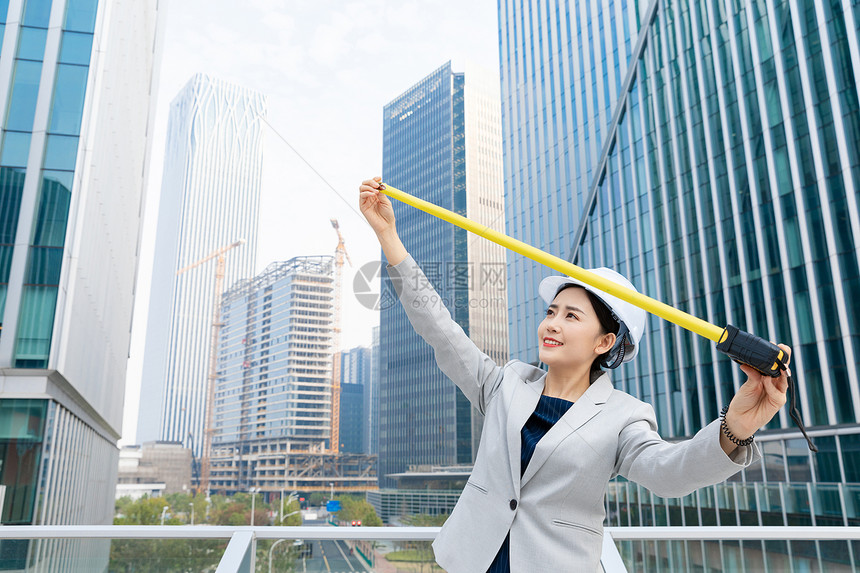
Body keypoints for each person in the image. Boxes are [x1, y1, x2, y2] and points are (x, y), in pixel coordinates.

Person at [359, 176, 790, 572]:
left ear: (604, 342)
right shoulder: (503, 383)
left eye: (571, 316)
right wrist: (388, 235)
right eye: (550, 312)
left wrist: (736, 427)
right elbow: (439, 328)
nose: (552, 323)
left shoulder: (625, 416)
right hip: (471, 561)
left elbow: (668, 474)